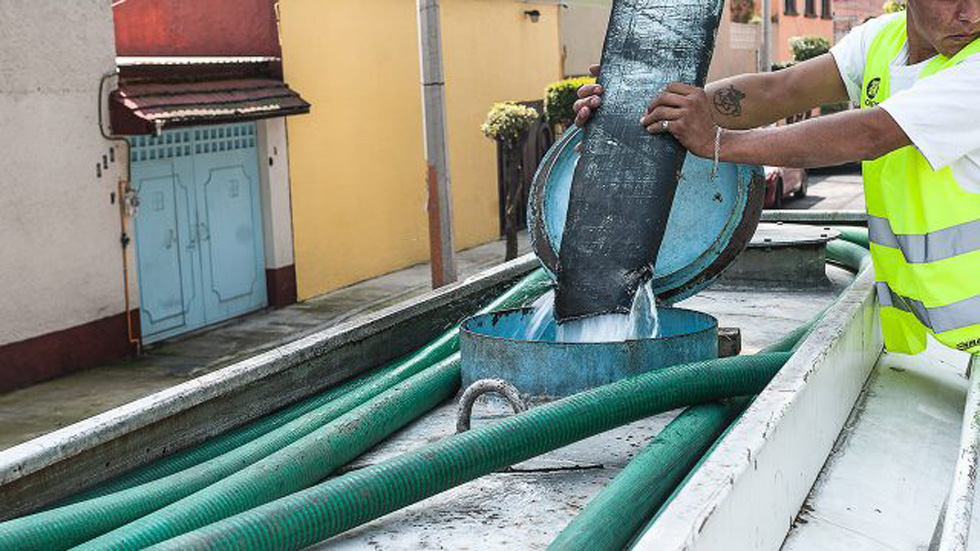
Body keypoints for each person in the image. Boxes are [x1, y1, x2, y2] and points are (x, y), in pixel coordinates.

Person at [573, 0, 980, 357]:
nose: (972, 15)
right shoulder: (882, 41)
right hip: (943, 347)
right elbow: (778, 91)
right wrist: (649, 106)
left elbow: (870, 133)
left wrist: (718, 142)